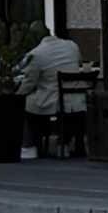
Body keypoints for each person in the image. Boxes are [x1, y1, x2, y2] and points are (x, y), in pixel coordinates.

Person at [21, 24, 87, 159]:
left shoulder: (36, 54)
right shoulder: (72, 46)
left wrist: (17, 94)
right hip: (77, 99)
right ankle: (65, 144)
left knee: (27, 104)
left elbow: (29, 83)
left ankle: (30, 145)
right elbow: (79, 63)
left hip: (52, 99)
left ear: (34, 37)